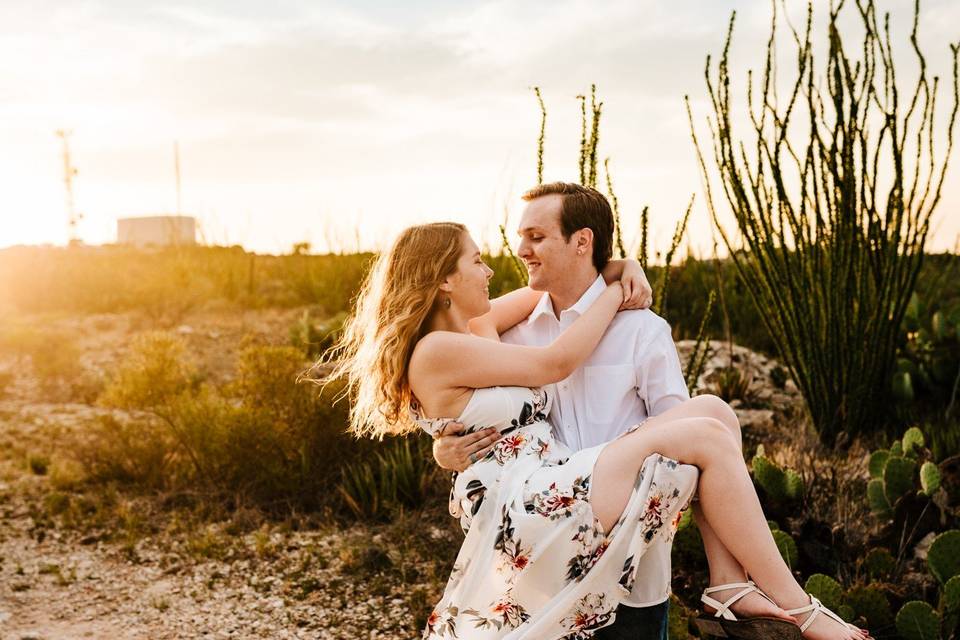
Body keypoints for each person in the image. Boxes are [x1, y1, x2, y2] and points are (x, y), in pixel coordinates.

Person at [324, 209, 871, 639]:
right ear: (443, 279)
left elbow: (560, 284)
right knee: (705, 433)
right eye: (476, 261)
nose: (490, 270)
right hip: (521, 499)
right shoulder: (438, 349)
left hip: (548, 476)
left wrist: (620, 267)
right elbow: (554, 364)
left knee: (716, 411)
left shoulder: (479, 327)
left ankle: (727, 583)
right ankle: (799, 609)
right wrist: (616, 294)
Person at [434, 182, 690, 639]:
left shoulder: (643, 332)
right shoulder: (508, 338)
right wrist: (444, 449)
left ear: (582, 241)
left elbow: (684, 440)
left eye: (535, 236)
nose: (521, 250)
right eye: (521, 236)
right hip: (537, 576)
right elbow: (465, 410)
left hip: (630, 573)